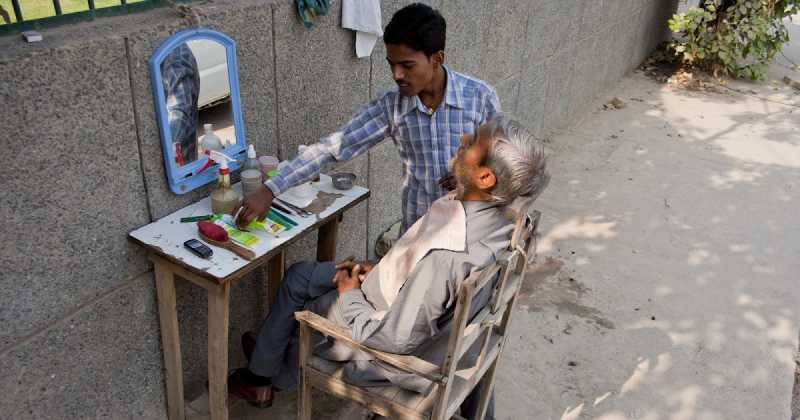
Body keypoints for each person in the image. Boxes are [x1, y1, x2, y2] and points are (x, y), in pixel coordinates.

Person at [227, 115, 548, 419]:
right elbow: (426, 271)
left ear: (485, 177)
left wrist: (350, 295)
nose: (463, 139)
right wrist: (387, 267)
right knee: (299, 275)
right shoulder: (509, 220)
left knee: (305, 311)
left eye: (471, 142)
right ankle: (264, 363)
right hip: (400, 292)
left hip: (391, 347)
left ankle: (265, 376)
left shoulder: (447, 258)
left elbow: (394, 340)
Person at [234, 3, 501, 234]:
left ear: (436, 58)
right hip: (417, 236)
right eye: (391, 64)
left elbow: (509, 160)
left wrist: (473, 176)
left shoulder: (479, 98)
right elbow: (332, 147)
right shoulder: (393, 107)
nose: (396, 75)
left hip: (471, 232)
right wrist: (269, 190)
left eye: (406, 66)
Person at [161, 42, 200, 166]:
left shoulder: (173, 53)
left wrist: (165, 151)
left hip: (178, 159)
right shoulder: (169, 49)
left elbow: (179, 110)